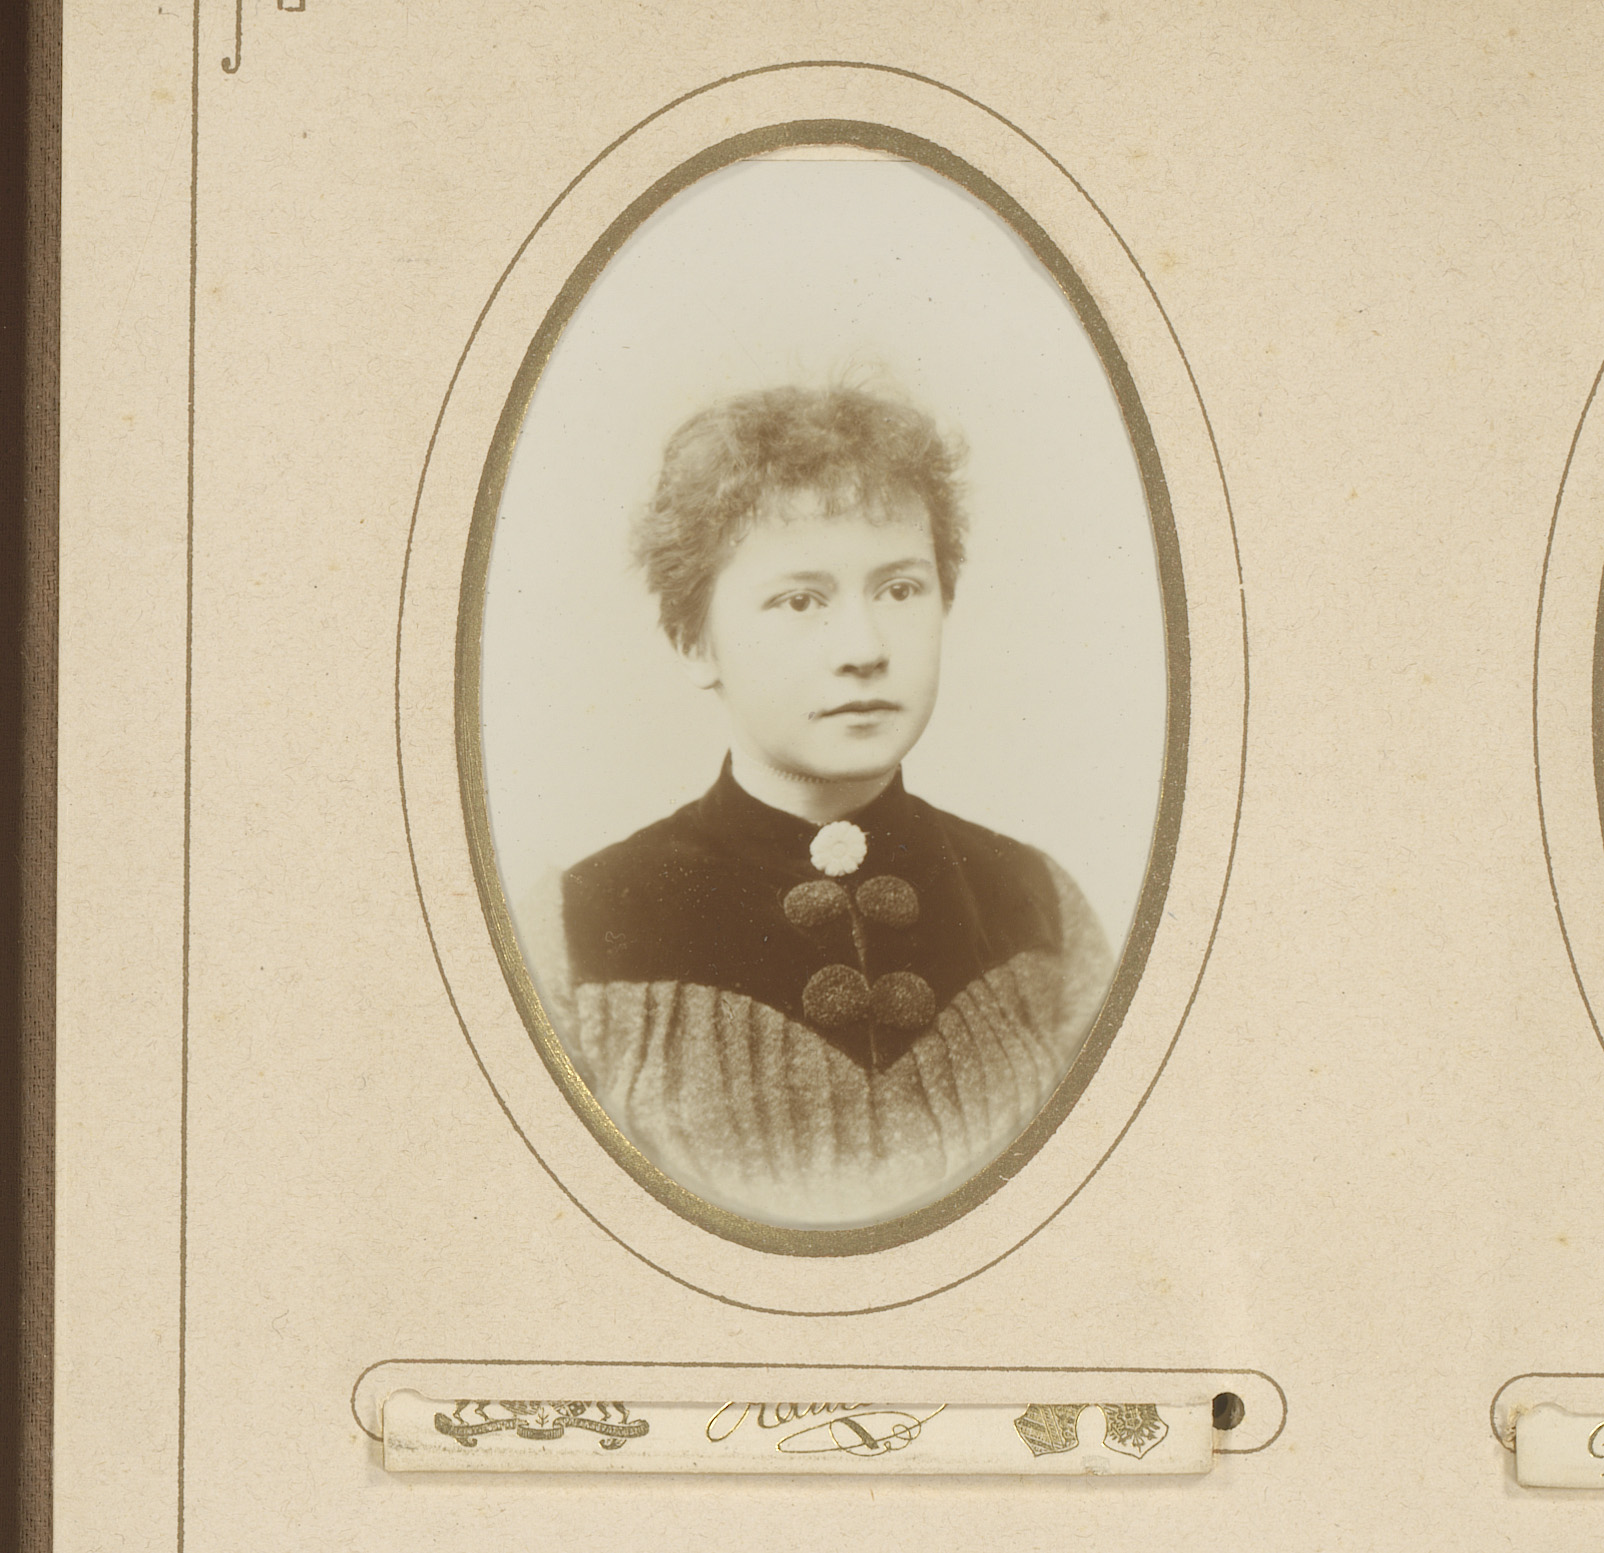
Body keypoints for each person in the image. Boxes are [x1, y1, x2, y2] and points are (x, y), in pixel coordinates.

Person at [531, 385, 1112, 1227]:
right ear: (694, 641)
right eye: (801, 600)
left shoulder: (1038, 906)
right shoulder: (578, 932)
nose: (865, 649)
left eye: (900, 590)